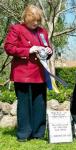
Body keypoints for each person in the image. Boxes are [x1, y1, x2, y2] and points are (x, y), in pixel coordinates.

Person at [4, 5, 53, 142]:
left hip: (40, 74)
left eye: (38, 20)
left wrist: (49, 51)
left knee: (40, 104)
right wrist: (28, 50)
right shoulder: (17, 29)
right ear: (26, 18)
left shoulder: (42, 32)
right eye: (33, 20)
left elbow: (47, 47)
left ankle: (38, 133)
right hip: (23, 74)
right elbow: (9, 47)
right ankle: (24, 134)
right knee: (24, 104)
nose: (36, 23)